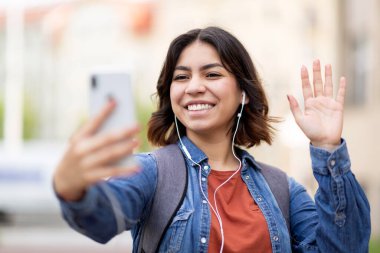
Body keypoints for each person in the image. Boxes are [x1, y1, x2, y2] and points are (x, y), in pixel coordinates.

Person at [53, 27, 371, 253]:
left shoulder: (282, 190)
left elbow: (347, 247)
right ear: (170, 94)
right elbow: (101, 219)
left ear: (244, 93)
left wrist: (328, 149)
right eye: (181, 77)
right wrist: (71, 187)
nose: (193, 87)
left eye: (212, 74)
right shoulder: (152, 173)